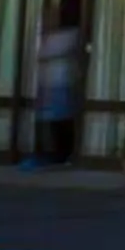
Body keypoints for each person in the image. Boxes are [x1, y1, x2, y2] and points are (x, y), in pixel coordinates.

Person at [31, 21, 82, 168]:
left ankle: (61, 155)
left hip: (60, 85)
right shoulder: (52, 38)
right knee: (53, 123)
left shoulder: (67, 36)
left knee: (61, 123)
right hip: (51, 85)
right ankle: (52, 154)